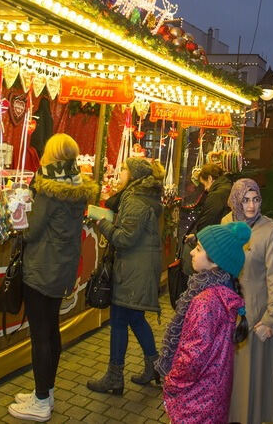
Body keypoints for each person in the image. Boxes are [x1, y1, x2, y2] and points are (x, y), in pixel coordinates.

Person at [8, 134, 99, 422]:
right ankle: (45, 389)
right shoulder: (75, 184)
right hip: (63, 266)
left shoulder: (49, 188)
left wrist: (18, 215)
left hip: (42, 266)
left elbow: (31, 231)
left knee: (41, 335)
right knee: (51, 330)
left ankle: (41, 400)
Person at [157, 222, 250, 424]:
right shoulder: (224, 294)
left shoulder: (205, 301)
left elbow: (193, 356)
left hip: (197, 398)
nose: (192, 253)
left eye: (198, 249)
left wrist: (172, 381)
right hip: (213, 391)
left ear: (215, 262)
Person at [86, 158, 164, 395]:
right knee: (134, 318)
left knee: (121, 320)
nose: (120, 173)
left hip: (132, 269)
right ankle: (154, 366)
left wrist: (102, 223)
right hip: (139, 267)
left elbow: (124, 238)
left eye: (124, 170)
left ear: (133, 175)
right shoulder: (144, 196)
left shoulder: (134, 198)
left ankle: (114, 377)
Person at [221, 179, 273, 424]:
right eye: (246, 200)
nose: (251, 206)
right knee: (229, 372)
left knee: (251, 375)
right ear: (236, 200)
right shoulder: (226, 223)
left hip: (255, 312)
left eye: (256, 199)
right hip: (227, 309)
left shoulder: (270, 231)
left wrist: (271, 318)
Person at [180, 163, 232, 275]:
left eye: (204, 184)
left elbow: (209, 220)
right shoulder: (227, 188)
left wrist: (197, 236)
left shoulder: (217, 194)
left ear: (209, 178)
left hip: (213, 241)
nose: (205, 188)